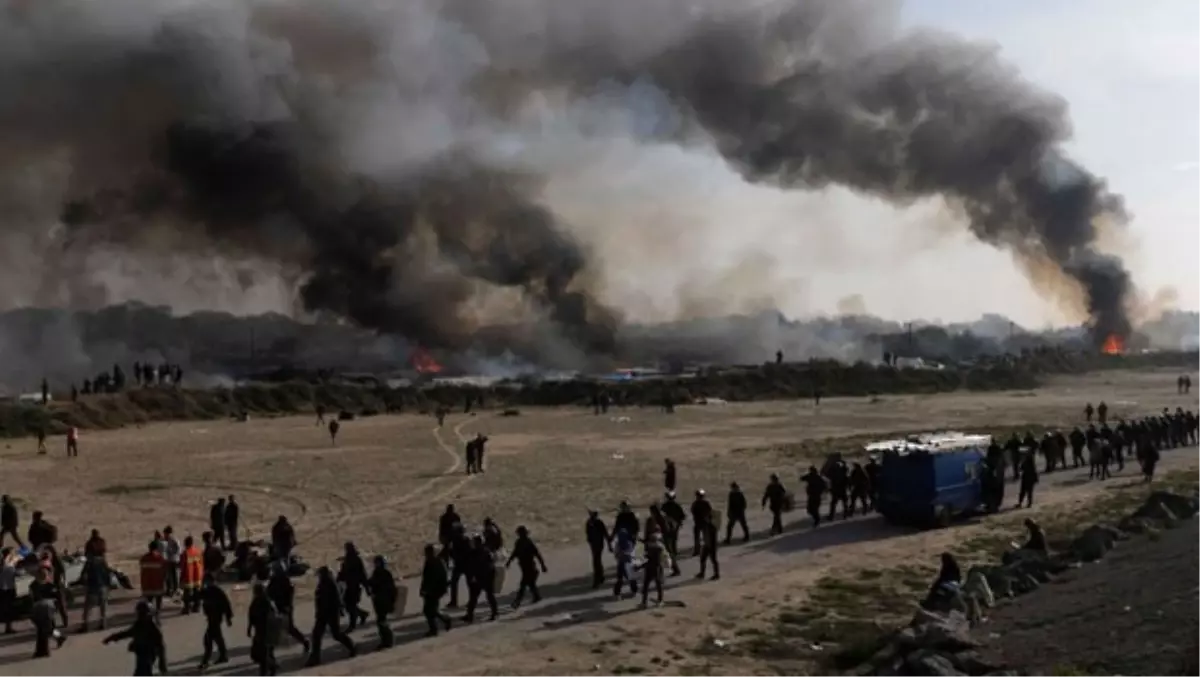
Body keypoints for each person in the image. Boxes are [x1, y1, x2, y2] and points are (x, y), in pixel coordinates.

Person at [308, 566, 356, 666]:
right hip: (322, 614)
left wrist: (339, 610)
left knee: (336, 634)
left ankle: (352, 646)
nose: (318, 576)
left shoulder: (330, 583)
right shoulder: (323, 583)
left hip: (330, 613)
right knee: (316, 635)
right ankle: (315, 658)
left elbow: (337, 598)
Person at [104, 601, 165, 676]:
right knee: (141, 671)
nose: (141, 616)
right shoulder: (138, 625)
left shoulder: (153, 628)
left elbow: (161, 646)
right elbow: (127, 633)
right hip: (140, 652)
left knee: (144, 670)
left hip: (149, 653)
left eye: (143, 614)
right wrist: (112, 638)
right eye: (140, 614)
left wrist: (162, 662)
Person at [266, 565, 309, 653]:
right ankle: (270, 651)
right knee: (277, 628)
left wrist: (287, 606)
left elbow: (288, 594)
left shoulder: (284, 581)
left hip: (284, 607)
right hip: (277, 606)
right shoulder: (276, 580)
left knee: (288, 628)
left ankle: (304, 641)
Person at [30, 567, 67, 658]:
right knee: (45, 629)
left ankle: (44, 650)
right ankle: (58, 638)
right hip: (44, 608)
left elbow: (33, 598)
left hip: (44, 608)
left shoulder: (36, 586)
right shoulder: (45, 585)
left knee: (43, 630)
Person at [507, 525, 547, 608]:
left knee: (523, 585)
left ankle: (517, 602)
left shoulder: (529, 543)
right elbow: (514, 553)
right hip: (524, 567)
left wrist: (543, 565)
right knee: (531, 584)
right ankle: (537, 597)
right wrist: (509, 561)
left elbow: (537, 554)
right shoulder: (518, 542)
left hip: (530, 567)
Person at [199, 573, 233, 669]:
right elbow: (198, 596)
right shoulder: (208, 590)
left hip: (215, 618)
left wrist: (228, 618)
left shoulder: (217, 591)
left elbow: (226, 605)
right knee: (217, 637)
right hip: (212, 618)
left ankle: (206, 660)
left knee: (208, 639)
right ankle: (223, 655)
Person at [248, 582, 280, 677]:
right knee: (255, 654)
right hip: (259, 631)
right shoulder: (255, 601)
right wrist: (249, 627)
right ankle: (271, 665)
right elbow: (251, 615)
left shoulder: (267, 602)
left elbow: (274, 617)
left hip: (266, 632)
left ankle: (265, 672)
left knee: (263, 655)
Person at [420, 544, 453, 637]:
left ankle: (434, 629)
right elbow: (425, 577)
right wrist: (423, 589)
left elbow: (441, 578)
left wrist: (438, 589)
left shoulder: (438, 562)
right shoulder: (429, 561)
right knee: (430, 610)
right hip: (429, 590)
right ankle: (444, 620)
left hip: (436, 590)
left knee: (429, 610)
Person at [464, 535, 498, 623]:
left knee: (485, 596)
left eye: (474, 542)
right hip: (480, 577)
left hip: (484, 577)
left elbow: (490, 567)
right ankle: (470, 615)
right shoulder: (479, 552)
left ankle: (494, 613)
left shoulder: (483, 552)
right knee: (475, 598)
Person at [337, 541, 371, 631]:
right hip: (348, 585)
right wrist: (338, 580)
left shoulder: (356, 560)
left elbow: (362, 574)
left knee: (350, 605)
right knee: (348, 605)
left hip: (355, 586)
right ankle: (362, 614)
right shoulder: (346, 560)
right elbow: (343, 572)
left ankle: (352, 624)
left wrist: (367, 587)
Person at [368, 555, 399, 649]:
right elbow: (372, 582)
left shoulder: (386, 573)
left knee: (382, 621)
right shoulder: (377, 572)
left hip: (384, 601)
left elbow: (392, 589)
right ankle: (386, 640)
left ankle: (389, 640)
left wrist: (392, 602)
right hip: (378, 600)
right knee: (380, 622)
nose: (376, 564)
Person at [81, 544, 111, 632]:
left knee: (88, 608)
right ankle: (103, 624)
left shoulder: (89, 562)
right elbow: (107, 573)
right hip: (103, 586)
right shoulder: (102, 561)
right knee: (103, 607)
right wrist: (108, 585)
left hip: (92, 587)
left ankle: (85, 625)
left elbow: (84, 575)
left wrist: (84, 583)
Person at [139, 541, 167, 614]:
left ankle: (149, 613)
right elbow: (164, 572)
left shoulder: (144, 558)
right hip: (158, 585)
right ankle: (158, 612)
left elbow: (142, 571)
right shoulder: (160, 558)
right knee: (158, 601)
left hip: (147, 585)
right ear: (157, 548)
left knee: (149, 602)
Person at [585, 509, 611, 589]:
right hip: (594, 545)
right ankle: (601, 576)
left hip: (599, 544)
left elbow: (605, 534)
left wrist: (610, 545)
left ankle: (597, 579)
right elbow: (588, 534)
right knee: (597, 560)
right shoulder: (589, 523)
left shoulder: (598, 523)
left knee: (596, 561)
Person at [181, 535, 204, 614]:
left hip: (189, 576)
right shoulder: (198, 551)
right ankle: (197, 607)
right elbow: (201, 563)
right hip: (197, 575)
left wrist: (181, 578)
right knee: (196, 591)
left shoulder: (185, 553)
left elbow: (183, 566)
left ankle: (187, 608)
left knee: (187, 593)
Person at [696, 512, 721, 581]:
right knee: (703, 559)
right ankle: (702, 573)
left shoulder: (712, 527)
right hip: (707, 545)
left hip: (711, 546)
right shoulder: (706, 526)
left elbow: (712, 538)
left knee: (713, 560)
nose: (705, 519)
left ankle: (716, 574)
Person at [689, 489, 713, 557]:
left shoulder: (695, 503)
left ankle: (697, 551)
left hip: (698, 522)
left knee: (697, 538)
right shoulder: (706, 503)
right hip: (704, 522)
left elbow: (692, 511)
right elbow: (710, 511)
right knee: (706, 537)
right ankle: (707, 550)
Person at [0, 547, 15, 634]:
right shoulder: (5, 564)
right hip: (4, 588)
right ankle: (8, 627)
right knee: (6, 608)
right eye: (13, 552)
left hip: (9, 587)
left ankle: (8, 627)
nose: (14, 554)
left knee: (8, 608)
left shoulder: (10, 563)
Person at [163, 526, 182, 597]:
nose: (164, 535)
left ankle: (175, 590)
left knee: (174, 576)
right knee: (170, 576)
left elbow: (178, 549)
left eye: (165, 533)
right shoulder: (167, 540)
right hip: (169, 560)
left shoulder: (173, 540)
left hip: (174, 560)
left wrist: (172, 551)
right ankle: (170, 590)